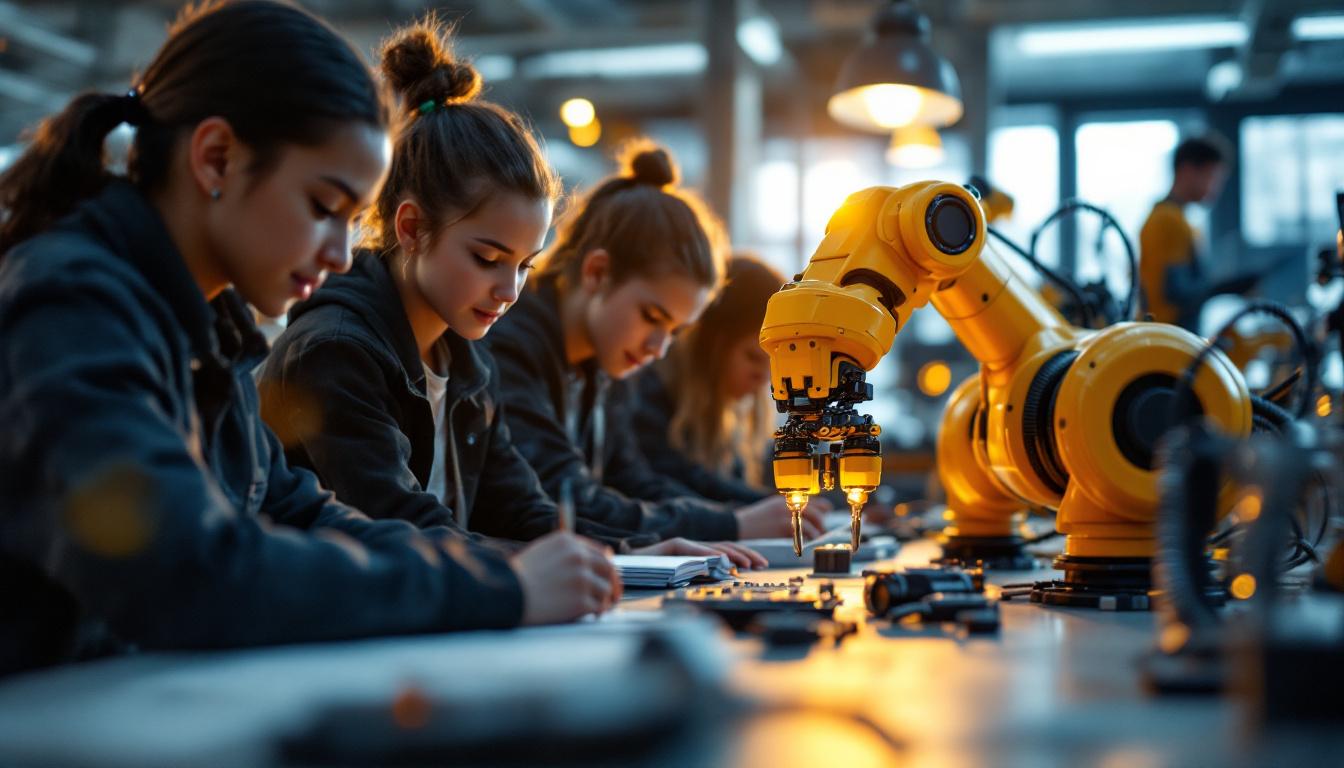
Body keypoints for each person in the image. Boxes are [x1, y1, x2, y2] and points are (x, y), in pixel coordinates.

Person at [0, 0, 615, 676]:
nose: (340, 252)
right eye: (324, 208)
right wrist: (500, 588)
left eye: (352, 219)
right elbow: (190, 569)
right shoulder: (74, 306)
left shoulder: (209, 328)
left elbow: (294, 505)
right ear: (216, 158)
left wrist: (497, 570)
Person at [258, 19, 761, 568]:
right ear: (410, 228)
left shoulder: (466, 358)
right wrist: (543, 571)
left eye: (524, 266)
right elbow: (403, 527)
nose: (509, 290)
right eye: (488, 259)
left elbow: (523, 510)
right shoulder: (337, 351)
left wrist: (634, 554)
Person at [486, 143, 826, 543]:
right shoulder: (510, 346)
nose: (659, 348)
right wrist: (730, 524)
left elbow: (631, 481)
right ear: (597, 272)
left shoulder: (604, 363)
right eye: (652, 317)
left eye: (676, 332)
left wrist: (734, 519)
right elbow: (570, 501)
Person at [625, 255, 782, 504]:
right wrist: (757, 509)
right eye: (752, 357)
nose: (763, 378)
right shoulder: (647, 395)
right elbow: (682, 482)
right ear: (711, 345)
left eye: (773, 366)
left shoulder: (727, 422)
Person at [1139, 135, 1230, 332]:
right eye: (1211, 177)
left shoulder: (1171, 217)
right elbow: (1177, 291)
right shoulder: (1169, 220)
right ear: (1187, 171)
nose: (1216, 187)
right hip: (1168, 335)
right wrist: (1226, 287)